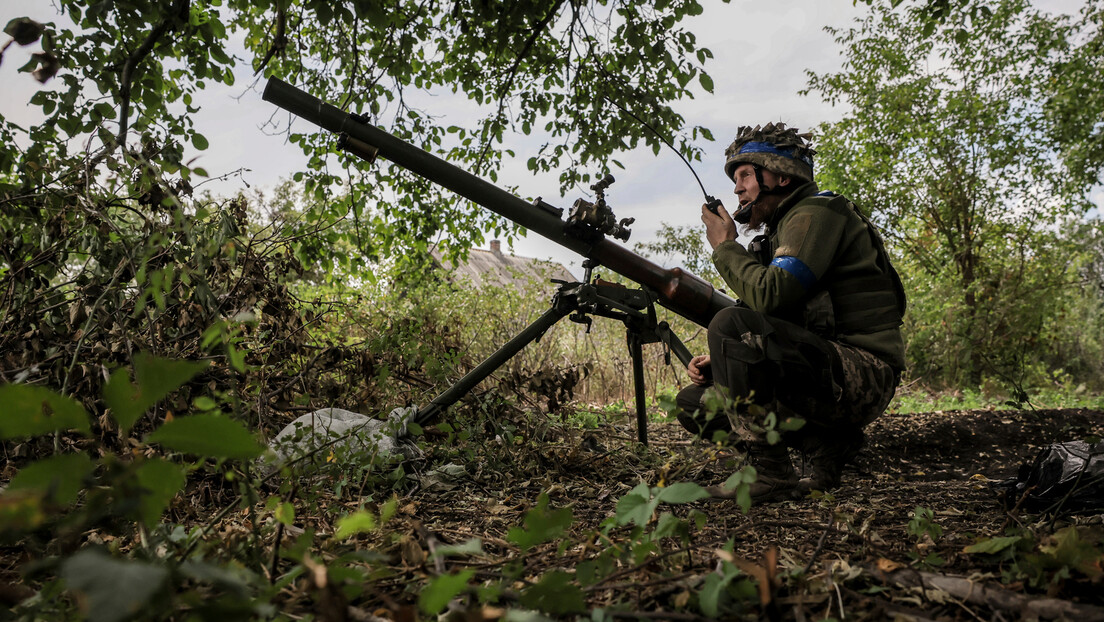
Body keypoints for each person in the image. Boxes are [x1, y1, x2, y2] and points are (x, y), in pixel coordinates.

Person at [675, 122, 906, 501]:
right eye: (736, 179)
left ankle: (771, 474)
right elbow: (769, 325)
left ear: (780, 176)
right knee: (693, 404)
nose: (737, 188)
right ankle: (826, 445)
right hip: (825, 369)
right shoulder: (780, 234)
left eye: (746, 175)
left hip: (864, 371)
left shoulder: (816, 213)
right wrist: (721, 362)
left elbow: (771, 297)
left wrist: (725, 247)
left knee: (728, 324)